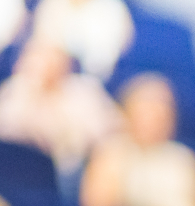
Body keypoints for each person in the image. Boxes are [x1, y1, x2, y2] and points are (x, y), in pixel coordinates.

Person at [80, 73, 195, 206]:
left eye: (164, 108)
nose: (157, 115)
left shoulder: (184, 159)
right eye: (148, 108)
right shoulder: (111, 151)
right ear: (128, 111)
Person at [0, 39, 119, 175]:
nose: (47, 67)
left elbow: (102, 134)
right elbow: (8, 131)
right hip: (18, 168)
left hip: (70, 171)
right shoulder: (16, 89)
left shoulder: (85, 91)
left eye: (53, 61)